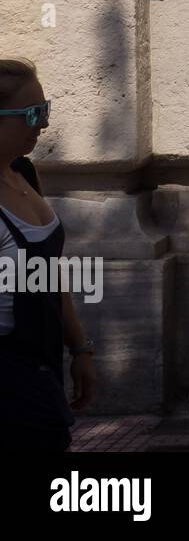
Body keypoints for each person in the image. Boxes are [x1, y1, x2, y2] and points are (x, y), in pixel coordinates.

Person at [0, 58, 96, 450]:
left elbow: (49, 273)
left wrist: (80, 347)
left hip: (44, 363)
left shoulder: (25, 172)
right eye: (33, 114)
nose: (43, 124)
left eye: (46, 110)